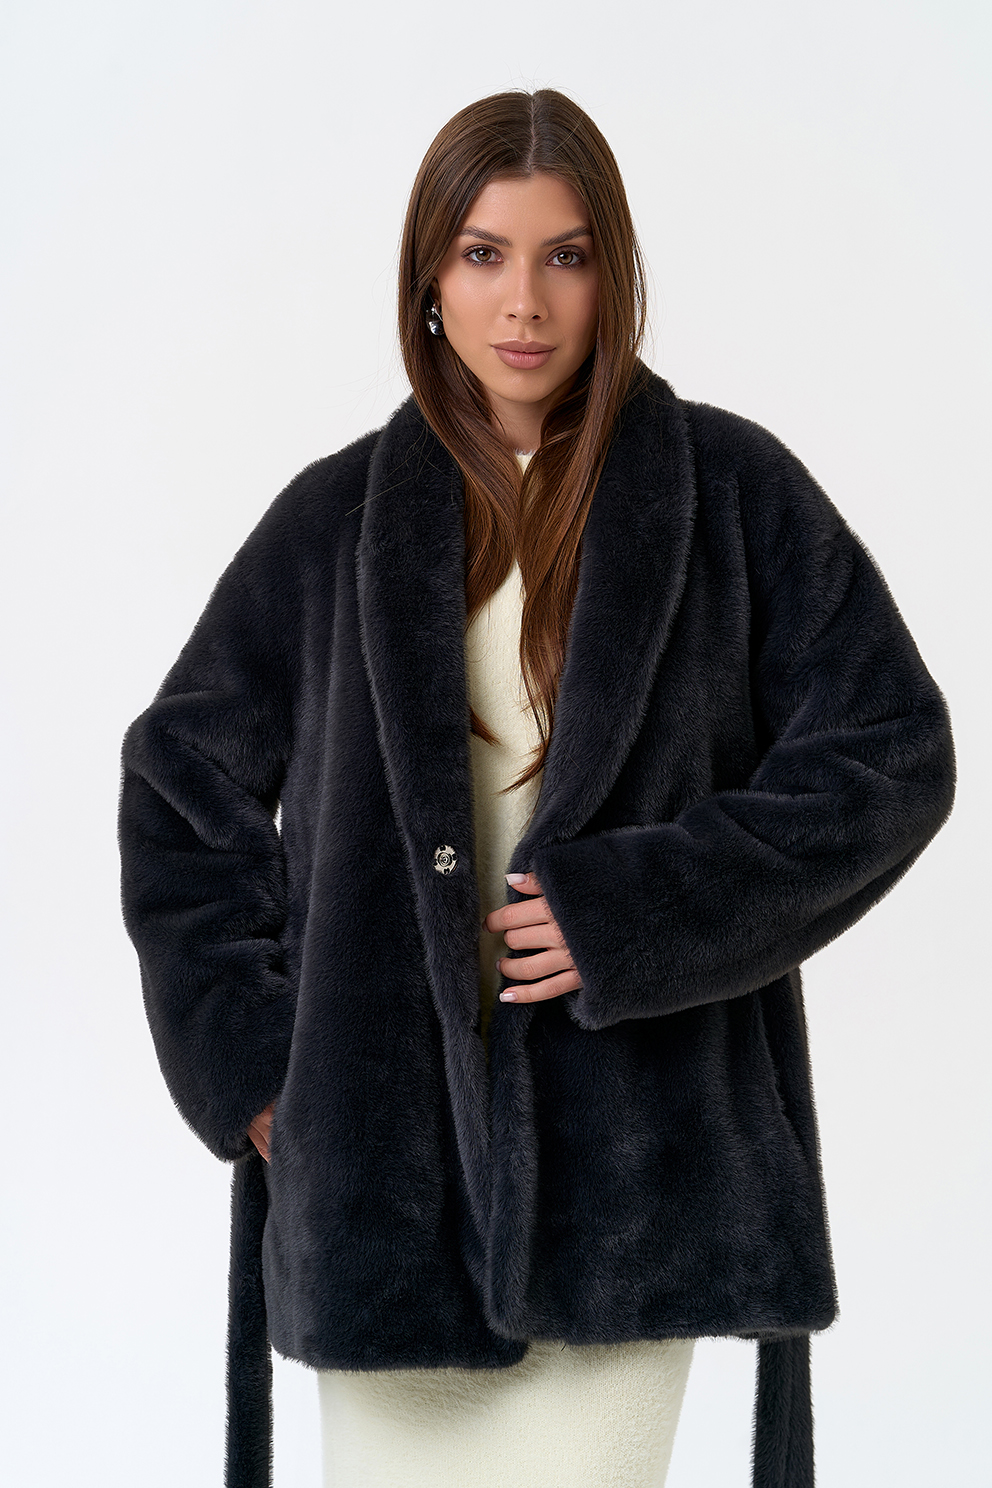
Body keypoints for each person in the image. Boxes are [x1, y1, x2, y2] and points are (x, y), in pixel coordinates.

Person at [118, 89, 955, 1488]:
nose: (524, 302)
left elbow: (890, 751)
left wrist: (635, 912)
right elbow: (178, 788)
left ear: (613, 275)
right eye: (483, 253)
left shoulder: (728, 492)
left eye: (566, 256)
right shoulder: (334, 520)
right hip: (383, 1192)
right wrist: (256, 1072)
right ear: (429, 278)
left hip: (633, 1185)